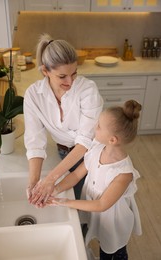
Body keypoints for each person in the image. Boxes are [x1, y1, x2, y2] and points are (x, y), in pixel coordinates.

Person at [49, 100, 142, 260]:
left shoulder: (123, 173)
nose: (94, 127)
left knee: (112, 249)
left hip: (113, 222)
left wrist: (64, 203)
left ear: (112, 139)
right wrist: (55, 189)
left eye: (98, 126)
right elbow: (76, 175)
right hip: (97, 213)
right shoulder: (96, 149)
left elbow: (101, 204)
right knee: (100, 239)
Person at [24, 33, 103, 206]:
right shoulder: (33, 95)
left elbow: (85, 141)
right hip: (63, 154)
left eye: (74, 74)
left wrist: (51, 178)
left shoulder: (87, 90)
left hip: (92, 155)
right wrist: (34, 182)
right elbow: (35, 142)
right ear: (45, 71)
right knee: (67, 201)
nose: (70, 81)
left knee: (87, 202)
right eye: (62, 76)